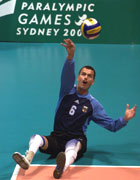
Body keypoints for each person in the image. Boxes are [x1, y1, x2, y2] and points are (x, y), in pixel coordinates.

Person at [12, 39, 137, 179]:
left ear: (93, 82)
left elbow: (111, 126)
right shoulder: (67, 91)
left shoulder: (93, 104)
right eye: (83, 74)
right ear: (78, 77)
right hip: (56, 138)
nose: (85, 77)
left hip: (76, 139)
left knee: (73, 146)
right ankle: (27, 160)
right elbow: (66, 75)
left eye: (89, 76)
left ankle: (61, 169)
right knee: (35, 138)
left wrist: (124, 119)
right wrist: (70, 57)